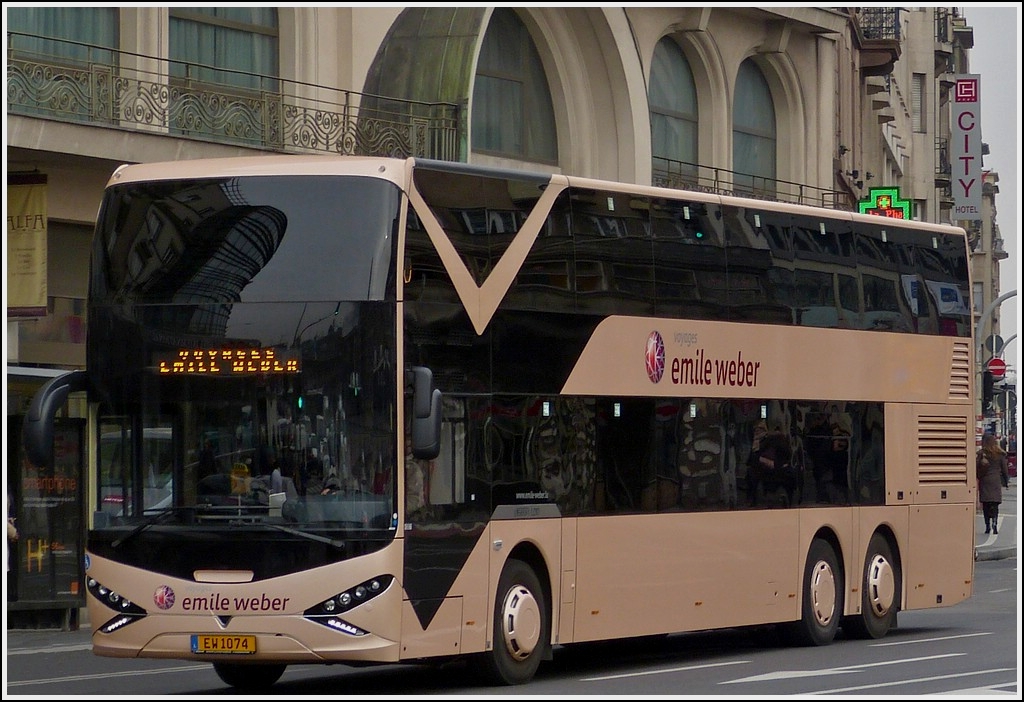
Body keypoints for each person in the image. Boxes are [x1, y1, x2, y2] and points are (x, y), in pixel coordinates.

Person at [976, 432, 1009, 535]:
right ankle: (995, 524)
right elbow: (1004, 469)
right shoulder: (1000, 455)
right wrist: (1005, 481)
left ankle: (987, 526)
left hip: (985, 481)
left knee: (986, 505)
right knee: (995, 505)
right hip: (995, 481)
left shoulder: (982, 453)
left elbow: (977, 467)